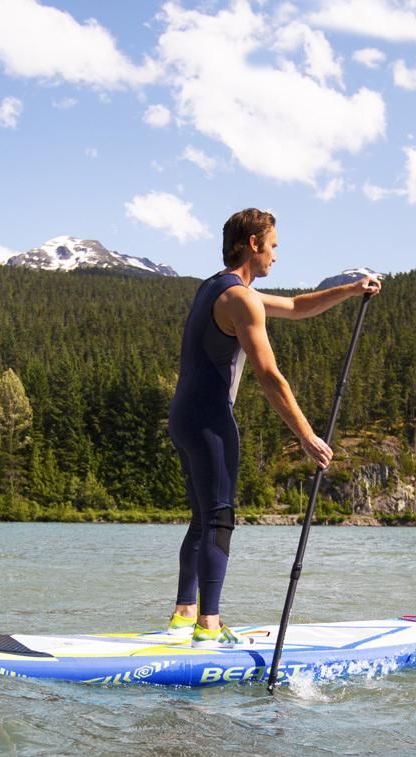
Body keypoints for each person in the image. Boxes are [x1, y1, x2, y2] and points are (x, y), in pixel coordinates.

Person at [167, 208, 382, 647]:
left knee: (201, 518)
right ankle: (208, 626)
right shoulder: (241, 300)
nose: (276, 255)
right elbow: (270, 376)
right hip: (210, 420)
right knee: (220, 519)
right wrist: (307, 436)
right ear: (253, 244)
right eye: (274, 245)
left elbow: (298, 307)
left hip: (182, 417)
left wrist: (352, 289)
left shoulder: (216, 289)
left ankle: (183, 615)